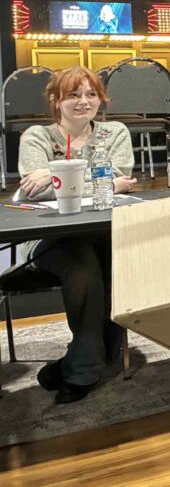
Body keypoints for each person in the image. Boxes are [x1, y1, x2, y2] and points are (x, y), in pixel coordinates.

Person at [17, 66, 137, 403]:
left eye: (91, 94)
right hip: (57, 240)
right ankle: (86, 367)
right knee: (84, 268)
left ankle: (78, 358)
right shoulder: (37, 137)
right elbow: (35, 193)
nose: (83, 102)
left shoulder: (115, 133)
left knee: (119, 261)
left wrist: (57, 174)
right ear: (56, 101)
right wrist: (103, 180)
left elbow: (121, 179)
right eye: (73, 95)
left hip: (107, 233)